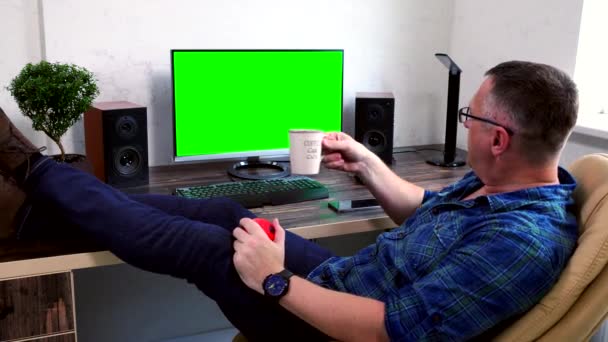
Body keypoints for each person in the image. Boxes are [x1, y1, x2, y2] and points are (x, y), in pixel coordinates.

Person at [0, 60, 579, 341]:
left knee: (209, 247)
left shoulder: (520, 243)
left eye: (468, 116)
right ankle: (34, 205)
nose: (464, 126)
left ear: (497, 139)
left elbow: (387, 332)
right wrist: (368, 162)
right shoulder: (506, 188)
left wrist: (275, 281)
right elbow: (428, 214)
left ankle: (28, 168)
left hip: (334, 328)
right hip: (345, 278)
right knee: (233, 214)